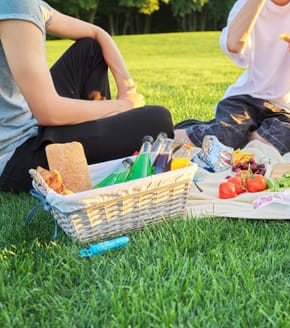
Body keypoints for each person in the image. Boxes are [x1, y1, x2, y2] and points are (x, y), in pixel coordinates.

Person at [0, 0, 174, 193]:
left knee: (90, 49)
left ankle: (103, 135)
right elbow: (48, 111)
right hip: (13, 158)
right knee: (158, 119)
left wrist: (126, 85)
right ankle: (106, 143)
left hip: (30, 122)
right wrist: (124, 105)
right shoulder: (13, 5)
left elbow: (97, 34)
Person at [173, 0, 290, 155]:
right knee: (229, 134)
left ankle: (231, 134)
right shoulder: (248, 3)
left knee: (288, 139)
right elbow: (233, 45)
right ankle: (185, 134)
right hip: (246, 98)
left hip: (288, 107)